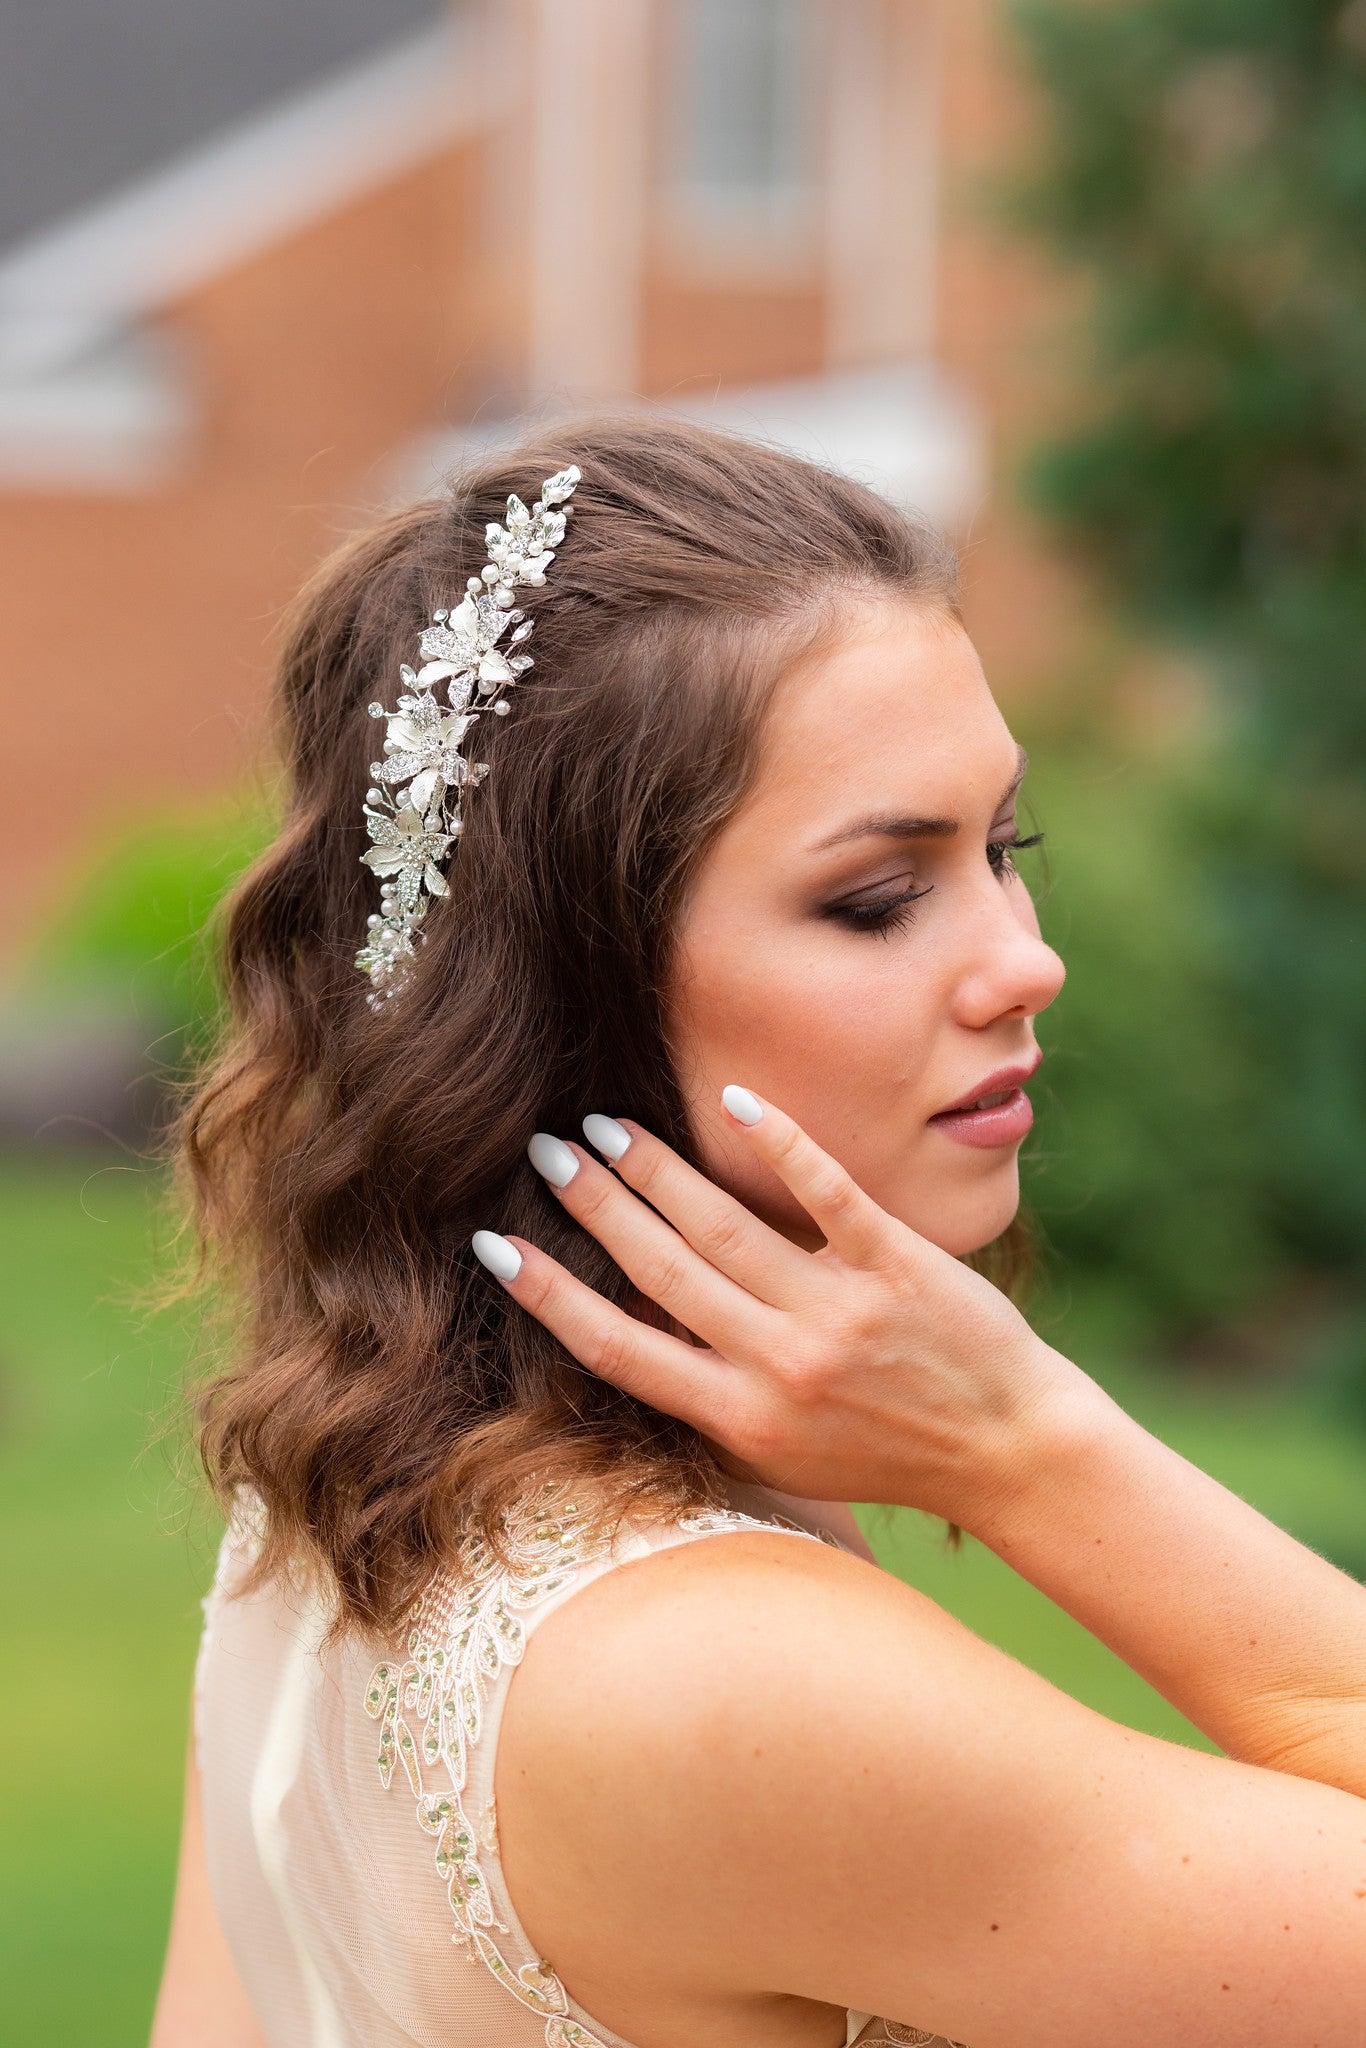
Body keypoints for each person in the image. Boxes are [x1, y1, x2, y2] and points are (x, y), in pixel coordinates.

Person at [152, 418, 1366, 2048]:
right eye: (875, 898)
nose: (1024, 962)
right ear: (549, 994)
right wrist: (1032, 1451)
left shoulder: (336, 1513)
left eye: (1002, 849)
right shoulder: (731, 1681)